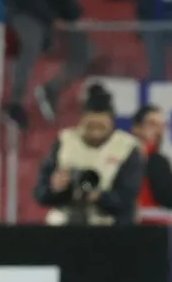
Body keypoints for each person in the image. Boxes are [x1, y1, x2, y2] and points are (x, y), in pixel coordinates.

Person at [35, 84, 143, 226]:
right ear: (81, 119)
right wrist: (56, 188)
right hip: (65, 224)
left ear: (111, 121)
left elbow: (127, 197)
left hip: (109, 226)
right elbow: (41, 194)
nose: (95, 131)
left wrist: (98, 196)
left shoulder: (126, 147)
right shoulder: (65, 142)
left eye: (101, 126)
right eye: (90, 126)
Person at [131, 104, 172, 224]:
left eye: (162, 126)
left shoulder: (159, 162)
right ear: (136, 128)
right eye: (152, 124)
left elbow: (170, 200)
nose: (159, 131)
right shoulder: (120, 157)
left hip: (156, 229)